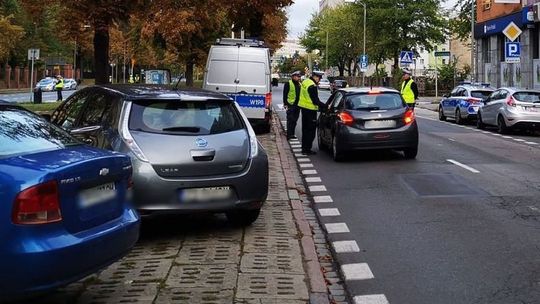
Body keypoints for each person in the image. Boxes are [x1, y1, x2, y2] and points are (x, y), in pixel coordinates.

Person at [298, 70, 327, 155]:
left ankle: (304, 148)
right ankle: (307, 149)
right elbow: (315, 101)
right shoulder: (312, 86)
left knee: (305, 129)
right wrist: (325, 106)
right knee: (311, 131)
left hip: (304, 109)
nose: (319, 80)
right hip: (310, 111)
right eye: (319, 78)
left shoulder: (306, 81)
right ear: (315, 77)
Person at [283, 70, 302, 140]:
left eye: (299, 77)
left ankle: (292, 134)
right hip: (290, 104)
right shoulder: (288, 83)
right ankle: (289, 134)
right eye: (297, 77)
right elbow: (285, 94)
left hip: (298, 105)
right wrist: (285, 104)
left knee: (294, 120)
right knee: (290, 120)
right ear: (293, 77)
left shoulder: (299, 84)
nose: (299, 78)